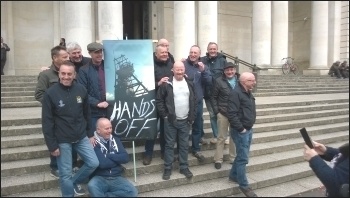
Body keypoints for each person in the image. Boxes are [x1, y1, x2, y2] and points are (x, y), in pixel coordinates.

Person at [41, 60, 99, 197]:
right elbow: (47, 122)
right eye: (63, 73)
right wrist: (52, 145)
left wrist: (90, 134)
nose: (66, 77)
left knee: (93, 163)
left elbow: (87, 114)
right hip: (62, 140)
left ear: (74, 75)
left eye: (69, 74)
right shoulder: (50, 93)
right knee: (65, 173)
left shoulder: (81, 90)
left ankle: (73, 182)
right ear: (59, 74)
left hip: (81, 136)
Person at [34, 45, 81, 178]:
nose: (68, 58)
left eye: (68, 56)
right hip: (55, 116)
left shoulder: (70, 70)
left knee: (71, 140)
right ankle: (55, 166)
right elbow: (39, 94)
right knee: (56, 142)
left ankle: (72, 164)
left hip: (71, 116)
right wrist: (54, 104)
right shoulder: (46, 75)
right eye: (65, 56)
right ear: (55, 58)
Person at [156, 61, 196, 180]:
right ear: (173, 70)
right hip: (171, 121)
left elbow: (194, 100)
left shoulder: (189, 83)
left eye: (181, 69)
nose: (179, 71)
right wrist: (165, 116)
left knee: (184, 145)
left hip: (185, 121)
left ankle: (184, 167)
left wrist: (192, 116)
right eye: (177, 69)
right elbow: (159, 101)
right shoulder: (166, 84)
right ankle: (168, 168)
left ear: (184, 70)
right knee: (169, 145)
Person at [87, 118, 138, 197]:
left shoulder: (116, 140)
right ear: (98, 130)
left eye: (110, 128)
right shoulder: (93, 142)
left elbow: (125, 158)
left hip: (116, 177)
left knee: (133, 192)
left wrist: (108, 155)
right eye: (107, 128)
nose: (110, 131)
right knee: (92, 186)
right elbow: (102, 164)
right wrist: (117, 158)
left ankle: (107, 196)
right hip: (100, 177)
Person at [142, 44, 174, 166]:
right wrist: (158, 83)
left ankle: (164, 152)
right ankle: (148, 154)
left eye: (166, 52)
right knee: (151, 129)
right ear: (156, 54)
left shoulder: (171, 65)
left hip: (166, 103)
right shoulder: (150, 66)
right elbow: (144, 84)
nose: (165, 54)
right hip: (152, 101)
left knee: (165, 129)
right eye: (162, 53)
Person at [227, 72, 257, 197]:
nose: (254, 82)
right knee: (243, 158)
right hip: (241, 131)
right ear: (244, 82)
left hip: (248, 129)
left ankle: (233, 175)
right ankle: (244, 186)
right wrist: (241, 129)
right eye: (252, 80)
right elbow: (232, 114)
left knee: (241, 155)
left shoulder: (247, 92)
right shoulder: (236, 94)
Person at [183, 45, 212, 162]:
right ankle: (182, 149)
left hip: (198, 101)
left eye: (195, 53)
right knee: (183, 125)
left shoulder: (203, 67)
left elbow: (209, 81)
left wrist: (203, 71)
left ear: (199, 55)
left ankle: (196, 149)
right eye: (191, 52)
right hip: (184, 101)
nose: (193, 54)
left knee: (197, 126)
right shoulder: (183, 64)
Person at [210, 62, 239, 169]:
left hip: (236, 114)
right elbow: (213, 97)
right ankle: (218, 159)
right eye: (227, 70)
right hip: (223, 113)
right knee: (221, 137)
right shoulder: (219, 81)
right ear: (224, 71)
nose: (229, 72)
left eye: (231, 70)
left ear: (235, 70)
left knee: (234, 137)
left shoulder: (240, 81)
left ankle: (232, 158)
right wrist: (217, 111)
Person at [78, 42, 108, 136]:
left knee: (111, 138)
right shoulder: (84, 70)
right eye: (96, 52)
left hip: (110, 109)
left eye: (100, 51)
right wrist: (97, 103)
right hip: (94, 112)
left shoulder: (108, 67)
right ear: (90, 53)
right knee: (95, 139)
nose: (99, 54)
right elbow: (82, 92)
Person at [201, 42, 227, 144]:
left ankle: (224, 136)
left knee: (222, 115)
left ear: (217, 49)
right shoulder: (202, 60)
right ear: (207, 50)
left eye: (214, 49)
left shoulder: (222, 60)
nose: (212, 51)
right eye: (210, 49)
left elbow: (227, 74)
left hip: (220, 93)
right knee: (212, 115)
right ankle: (216, 136)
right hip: (208, 93)